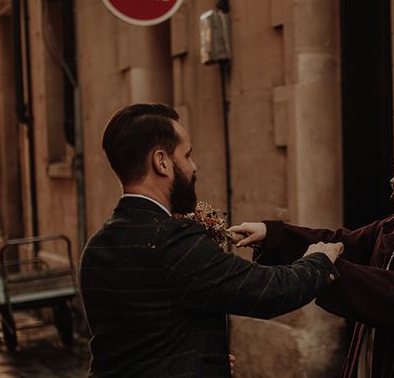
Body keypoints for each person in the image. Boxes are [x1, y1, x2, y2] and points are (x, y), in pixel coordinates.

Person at [79, 103, 343, 377]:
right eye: (187, 155)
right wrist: (318, 262)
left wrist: (206, 358)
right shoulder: (171, 240)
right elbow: (270, 292)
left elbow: (140, 338)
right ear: (162, 162)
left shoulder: (96, 246)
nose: (194, 166)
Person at [229, 134, 394, 378]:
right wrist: (272, 234)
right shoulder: (391, 227)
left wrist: (328, 269)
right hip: (372, 357)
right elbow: (339, 242)